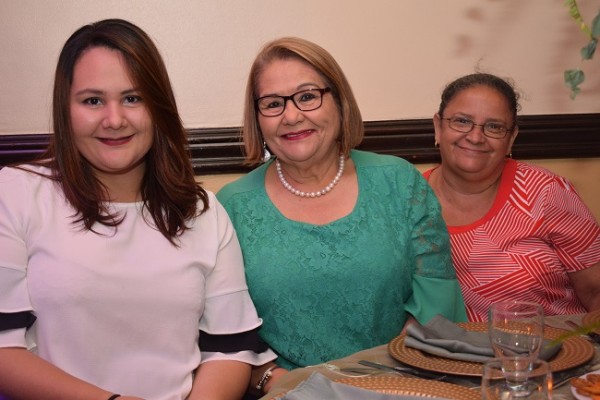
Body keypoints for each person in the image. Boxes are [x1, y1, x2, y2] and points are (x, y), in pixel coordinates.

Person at [0, 19, 274, 400]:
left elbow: (230, 348)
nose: (114, 120)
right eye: (92, 100)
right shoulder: (16, 192)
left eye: (133, 98)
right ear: (66, 110)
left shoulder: (202, 211)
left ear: (158, 106)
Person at [216, 36, 467, 395]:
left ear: (339, 101)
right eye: (273, 103)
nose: (291, 115)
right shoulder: (233, 206)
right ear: (257, 119)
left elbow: (437, 302)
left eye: (307, 96)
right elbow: (226, 332)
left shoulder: (399, 182)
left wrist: (385, 382)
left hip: (403, 384)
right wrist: (278, 380)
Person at [424, 72, 600, 322]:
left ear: (511, 139)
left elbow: (596, 291)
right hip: (447, 357)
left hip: (557, 352)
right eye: (462, 121)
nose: (475, 137)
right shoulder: (410, 199)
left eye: (494, 127)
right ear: (438, 127)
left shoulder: (545, 191)